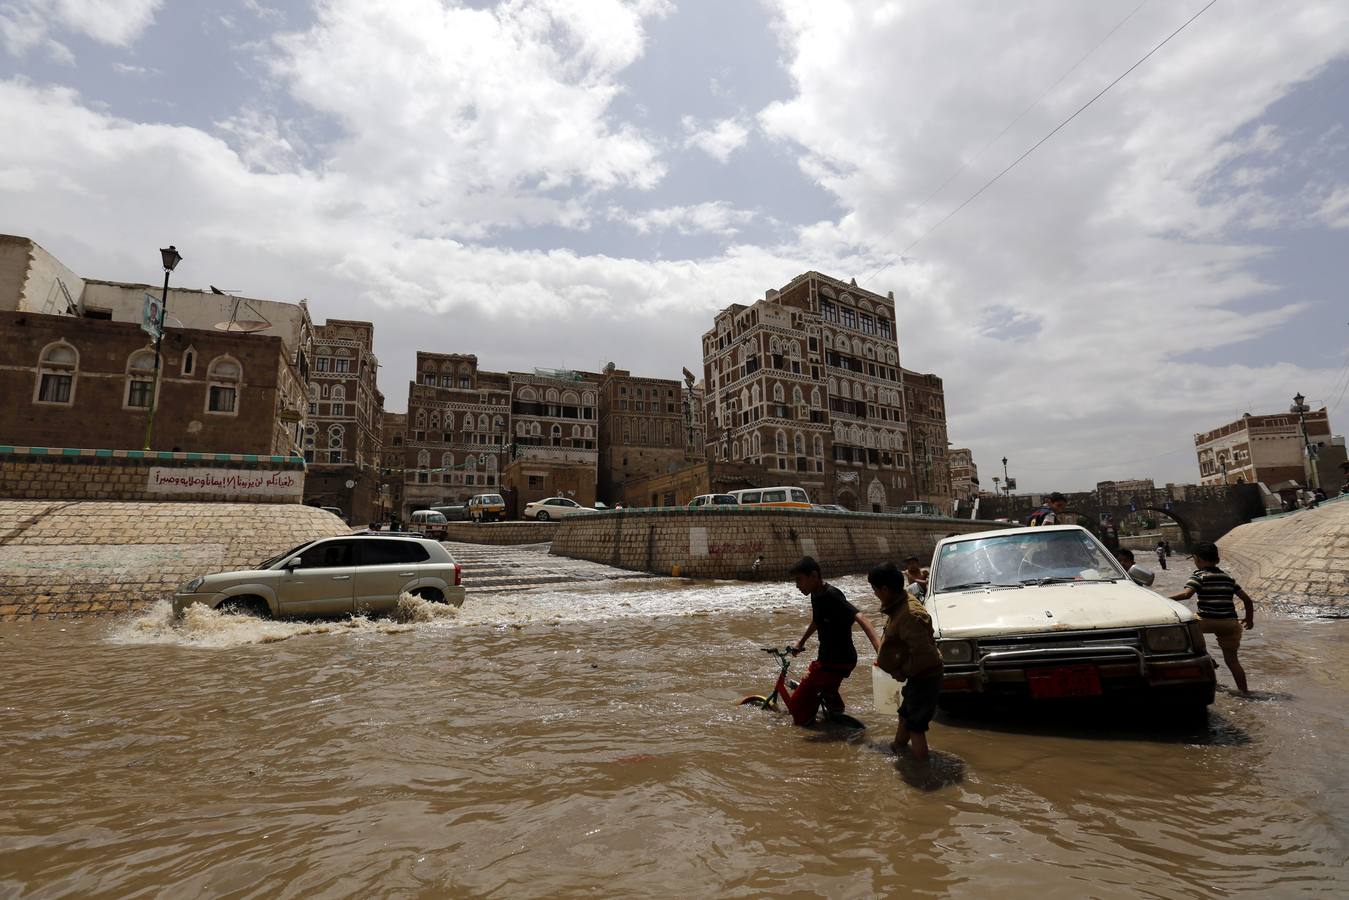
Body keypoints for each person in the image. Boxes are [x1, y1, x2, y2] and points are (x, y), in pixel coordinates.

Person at [781, 556, 881, 726]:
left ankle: (809, 730)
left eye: (799, 580)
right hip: (835, 659)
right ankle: (835, 714)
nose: (797, 585)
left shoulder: (832, 594)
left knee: (796, 705)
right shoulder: (815, 594)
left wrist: (880, 649)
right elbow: (817, 620)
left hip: (834, 661)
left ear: (814, 576)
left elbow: (860, 616)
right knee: (827, 691)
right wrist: (801, 642)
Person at [870, 562, 944, 761]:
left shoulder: (910, 614)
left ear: (885, 589)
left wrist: (902, 671)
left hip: (924, 676)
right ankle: (898, 747)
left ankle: (922, 769)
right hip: (918, 676)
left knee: (916, 725)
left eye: (875, 589)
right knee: (906, 714)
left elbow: (924, 656)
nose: (874, 594)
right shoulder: (899, 604)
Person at [1170, 541, 1255, 694]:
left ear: (1197, 559)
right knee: (1233, 661)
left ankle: (1206, 659)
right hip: (1230, 623)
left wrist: (1164, 599)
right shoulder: (1228, 578)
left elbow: (1187, 594)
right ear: (1218, 560)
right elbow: (1247, 600)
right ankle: (1245, 693)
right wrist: (1249, 619)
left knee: (1181, 630)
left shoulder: (1198, 576)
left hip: (1206, 621)